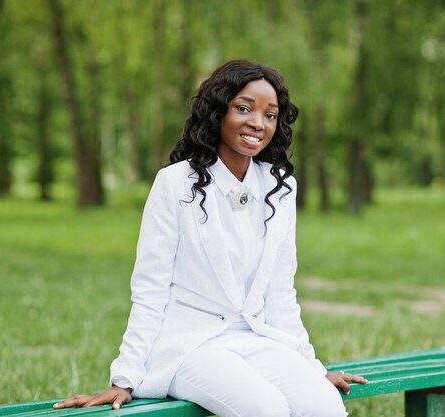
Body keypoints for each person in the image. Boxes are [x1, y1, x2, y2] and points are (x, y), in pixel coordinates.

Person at [53, 59, 366, 417]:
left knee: (324, 405)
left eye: (270, 115)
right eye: (244, 108)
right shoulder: (175, 183)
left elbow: (280, 292)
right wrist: (124, 377)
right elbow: (151, 288)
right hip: (190, 346)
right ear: (218, 112)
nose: (257, 123)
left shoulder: (280, 188)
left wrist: (313, 368)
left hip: (255, 338)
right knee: (267, 409)